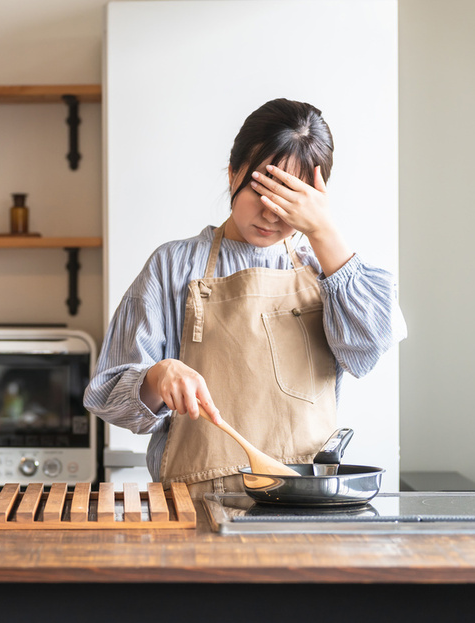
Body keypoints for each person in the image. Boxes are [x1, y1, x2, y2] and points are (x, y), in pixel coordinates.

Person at [84, 98, 407, 498]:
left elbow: (369, 350)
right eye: (262, 188)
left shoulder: (327, 270)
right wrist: (158, 375)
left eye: (290, 197)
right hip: (196, 508)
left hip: (304, 509)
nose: (272, 213)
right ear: (234, 171)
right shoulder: (173, 265)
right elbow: (107, 393)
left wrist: (324, 232)